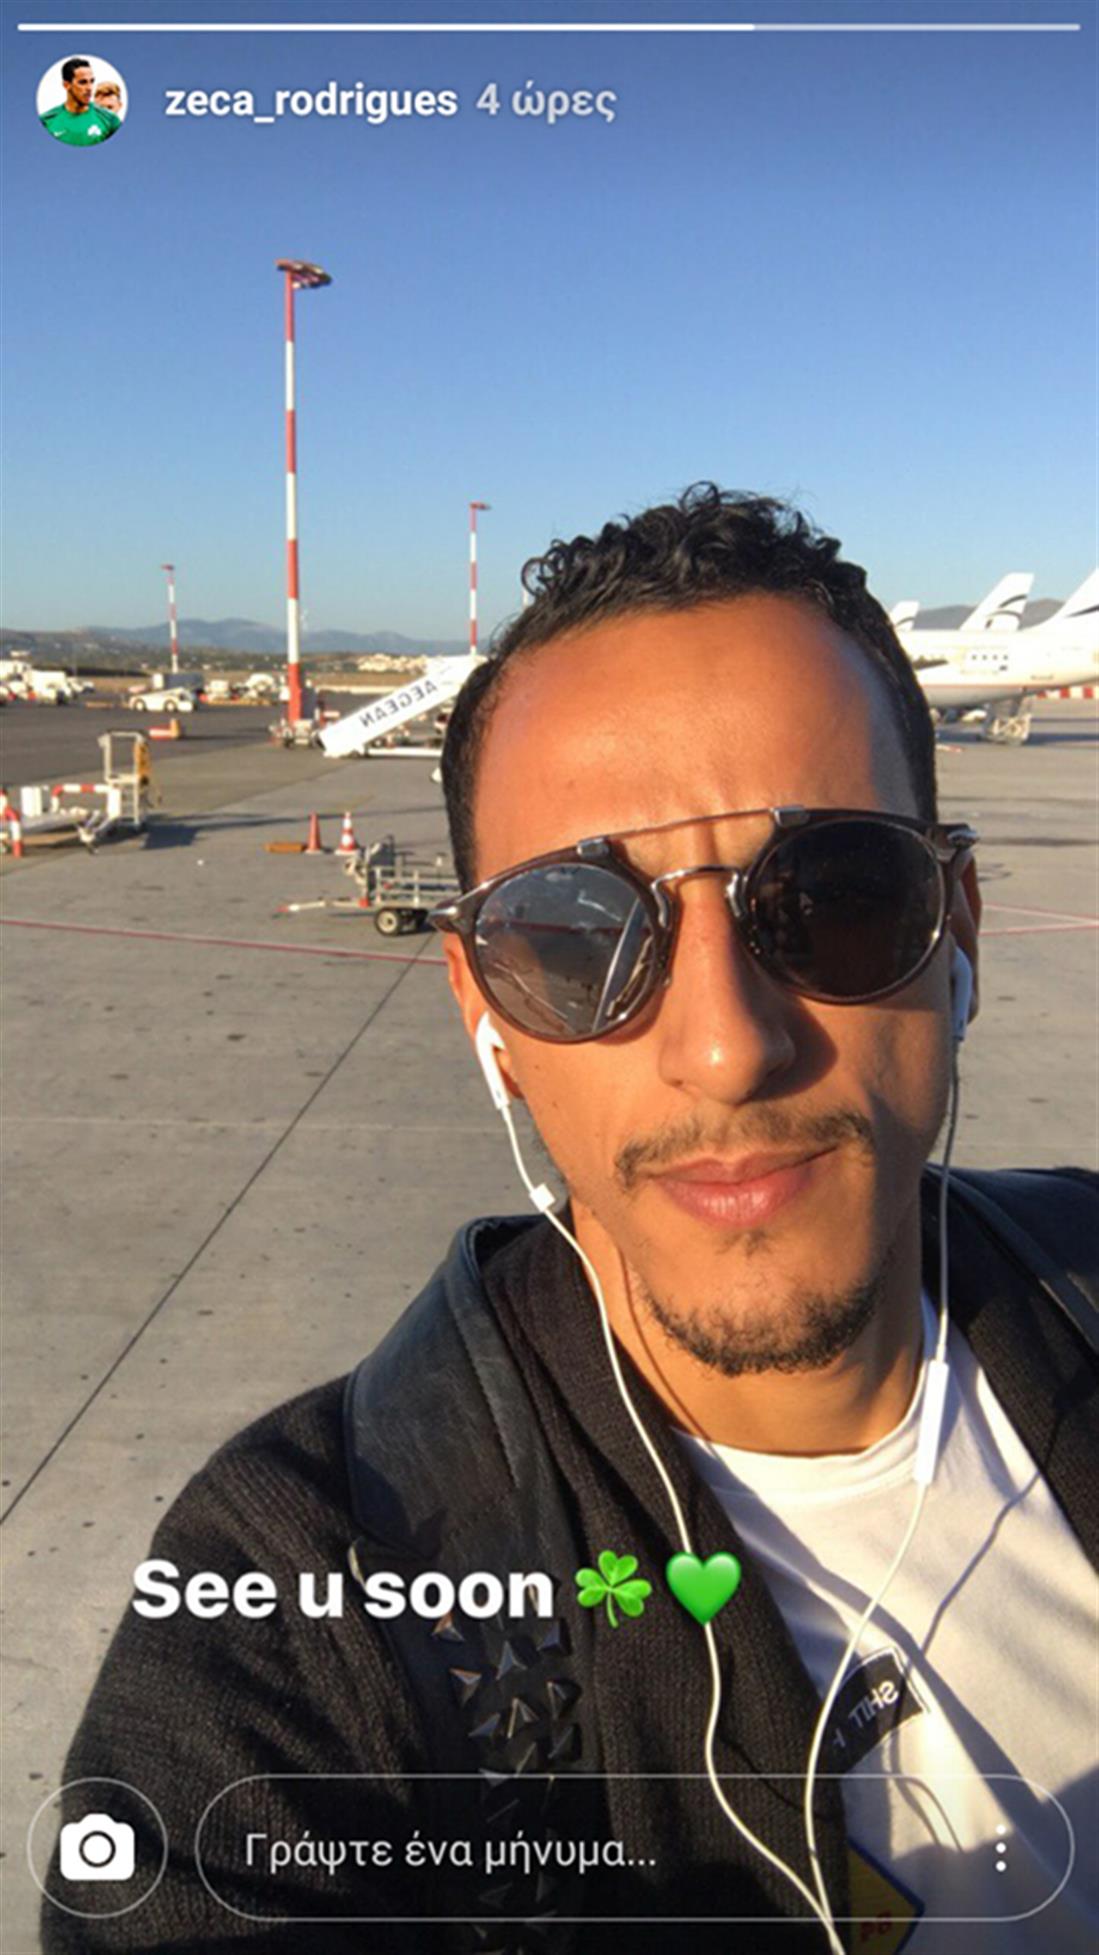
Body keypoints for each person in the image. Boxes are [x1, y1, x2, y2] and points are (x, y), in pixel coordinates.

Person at [44, 487, 1097, 1952]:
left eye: (836, 897)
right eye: (575, 934)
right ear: (483, 1010)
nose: (725, 1046)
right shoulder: (306, 1593)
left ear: (957, 926)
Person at [40, 57, 120, 147]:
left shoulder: (110, 120)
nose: (89, 88)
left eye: (92, 81)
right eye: (83, 82)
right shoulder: (46, 121)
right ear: (66, 85)